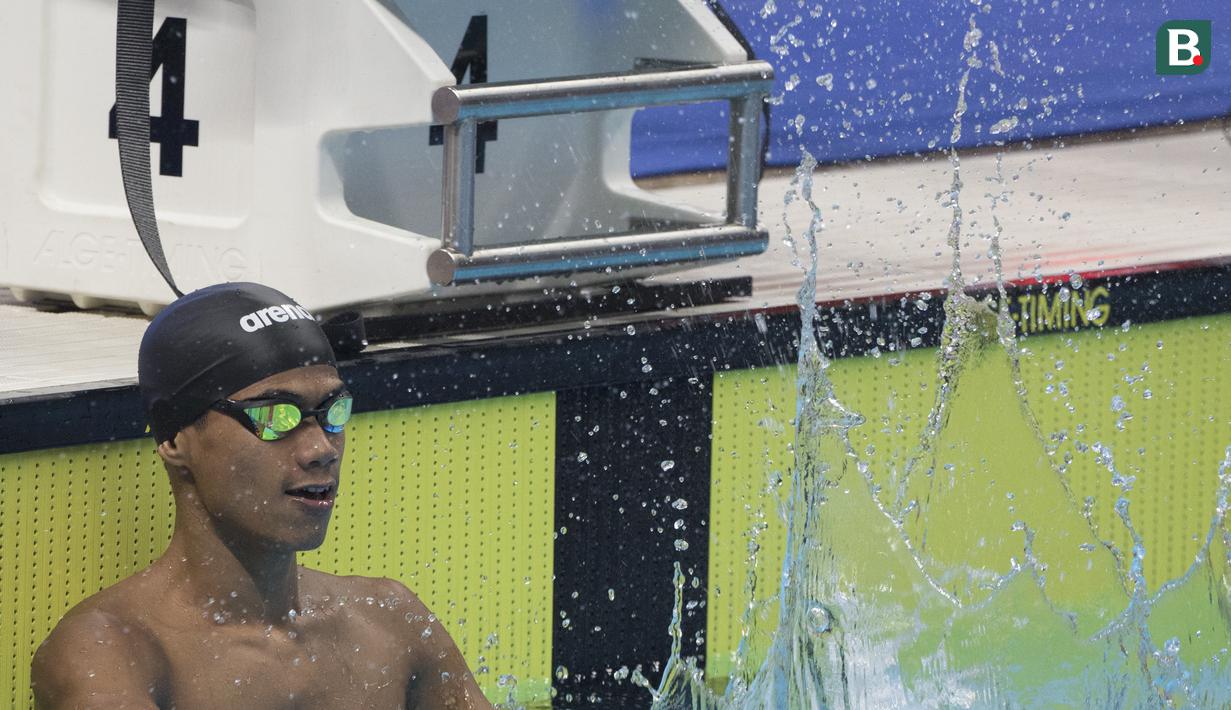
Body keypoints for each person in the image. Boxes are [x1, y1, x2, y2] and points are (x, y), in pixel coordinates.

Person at [30, 282, 493, 709]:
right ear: (175, 439)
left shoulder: (390, 624)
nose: (321, 448)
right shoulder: (110, 651)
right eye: (275, 416)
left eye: (333, 411)